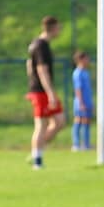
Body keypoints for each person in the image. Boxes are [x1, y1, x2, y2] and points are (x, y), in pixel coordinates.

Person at [27, 16, 65, 170]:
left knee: (60, 121)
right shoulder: (41, 45)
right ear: (53, 28)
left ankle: (36, 150)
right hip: (41, 91)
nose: (60, 30)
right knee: (41, 125)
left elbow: (28, 65)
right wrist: (50, 93)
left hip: (42, 89)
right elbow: (41, 70)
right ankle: (37, 160)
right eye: (59, 27)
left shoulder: (38, 44)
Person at [71, 50, 94, 151]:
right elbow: (78, 89)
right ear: (80, 60)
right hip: (80, 102)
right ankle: (76, 144)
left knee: (87, 121)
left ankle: (86, 144)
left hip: (87, 101)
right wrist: (81, 103)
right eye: (86, 59)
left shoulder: (85, 72)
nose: (88, 60)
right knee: (78, 120)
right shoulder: (77, 73)